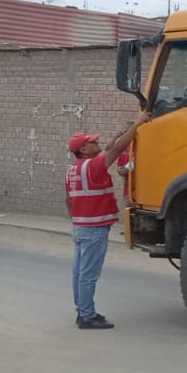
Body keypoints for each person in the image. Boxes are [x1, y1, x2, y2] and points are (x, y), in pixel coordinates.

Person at [65, 111, 150, 329]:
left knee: (79, 272)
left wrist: (118, 133)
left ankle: (82, 311)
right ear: (83, 149)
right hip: (94, 229)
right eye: (92, 142)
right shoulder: (93, 167)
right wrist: (138, 123)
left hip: (80, 227)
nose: (97, 143)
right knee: (89, 275)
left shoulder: (73, 171)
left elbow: (68, 201)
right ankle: (87, 316)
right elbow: (117, 149)